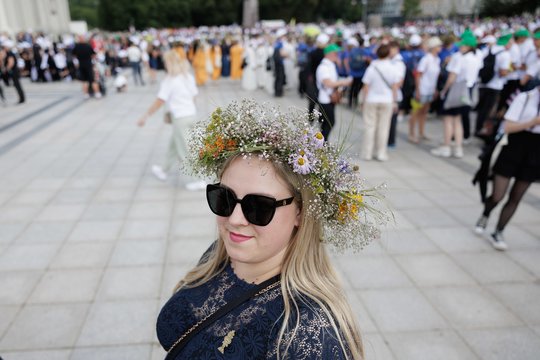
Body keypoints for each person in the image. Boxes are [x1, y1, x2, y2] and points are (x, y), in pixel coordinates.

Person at [157, 99, 388, 359]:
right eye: (225, 197)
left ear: (300, 212)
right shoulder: (222, 254)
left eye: (258, 206)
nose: (235, 219)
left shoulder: (307, 335)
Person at [474, 85, 540, 251]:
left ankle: (499, 231)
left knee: (516, 197)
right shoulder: (525, 98)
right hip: (514, 148)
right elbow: (508, 127)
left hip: (535, 153)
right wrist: (533, 122)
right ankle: (485, 214)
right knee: (498, 195)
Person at [136, 50, 205, 190]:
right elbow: (194, 96)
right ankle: (163, 170)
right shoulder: (188, 77)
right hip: (191, 115)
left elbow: (160, 101)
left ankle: (198, 180)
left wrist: (145, 116)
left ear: (168, 63)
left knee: (184, 150)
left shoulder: (169, 81)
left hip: (180, 118)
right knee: (174, 145)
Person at [431, 35, 479, 158]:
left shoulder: (460, 58)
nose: (460, 47)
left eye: (462, 45)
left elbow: (452, 77)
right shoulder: (476, 57)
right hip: (467, 92)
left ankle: (446, 147)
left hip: (455, 90)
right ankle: (458, 148)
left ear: (468, 46)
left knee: (448, 120)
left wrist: (444, 91)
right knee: (457, 120)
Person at [361, 44, 400, 161]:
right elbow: (395, 87)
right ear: (389, 53)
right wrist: (395, 101)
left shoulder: (372, 67)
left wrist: (363, 100)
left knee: (369, 127)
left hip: (372, 99)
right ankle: (381, 153)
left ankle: (367, 153)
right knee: (384, 127)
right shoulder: (393, 68)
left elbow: (366, 86)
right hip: (387, 100)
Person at [475, 34, 512, 138]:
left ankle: (477, 127)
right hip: (495, 85)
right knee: (488, 109)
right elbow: (502, 72)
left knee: (481, 108)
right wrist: (510, 71)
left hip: (483, 83)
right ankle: (481, 129)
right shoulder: (505, 54)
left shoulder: (488, 49)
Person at [409, 36, 443, 143]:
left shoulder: (437, 59)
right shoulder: (426, 59)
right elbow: (418, 75)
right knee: (415, 112)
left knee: (424, 112)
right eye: (438, 46)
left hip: (430, 90)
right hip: (422, 89)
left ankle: (421, 132)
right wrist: (418, 90)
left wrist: (435, 89)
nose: (440, 47)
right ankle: (412, 134)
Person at [316, 43, 352, 141]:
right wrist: (343, 82)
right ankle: (323, 143)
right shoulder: (324, 67)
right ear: (330, 54)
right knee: (329, 123)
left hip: (329, 98)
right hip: (325, 99)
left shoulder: (330, 65)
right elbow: (328, 83)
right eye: (336, 53)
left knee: (327, 123)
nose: (338, 55)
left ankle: (323, 143)